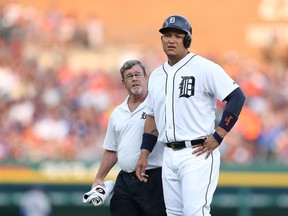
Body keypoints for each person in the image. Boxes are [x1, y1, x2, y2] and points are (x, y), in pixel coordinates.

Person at [135, 15, 246, 216]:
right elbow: (151, 117)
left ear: (187, 40)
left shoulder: (204, 67)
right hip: (168, 155)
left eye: (178, 36)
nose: (171, 40)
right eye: (167, 35)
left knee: (196, 213)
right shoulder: (157, 76)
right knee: (174, 214)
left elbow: (237, 97)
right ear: (161, 40)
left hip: (197, 152)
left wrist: (219, 134)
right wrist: (144, 153)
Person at [92, 60, 166, 216]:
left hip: (153, 178)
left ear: (146, 78)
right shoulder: (117, 112)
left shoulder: (158, 104)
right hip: (125, 180)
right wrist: (99, 178)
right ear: (123, 83)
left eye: (138, 75)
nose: (134, 79)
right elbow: (112, 149)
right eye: (129, 76)